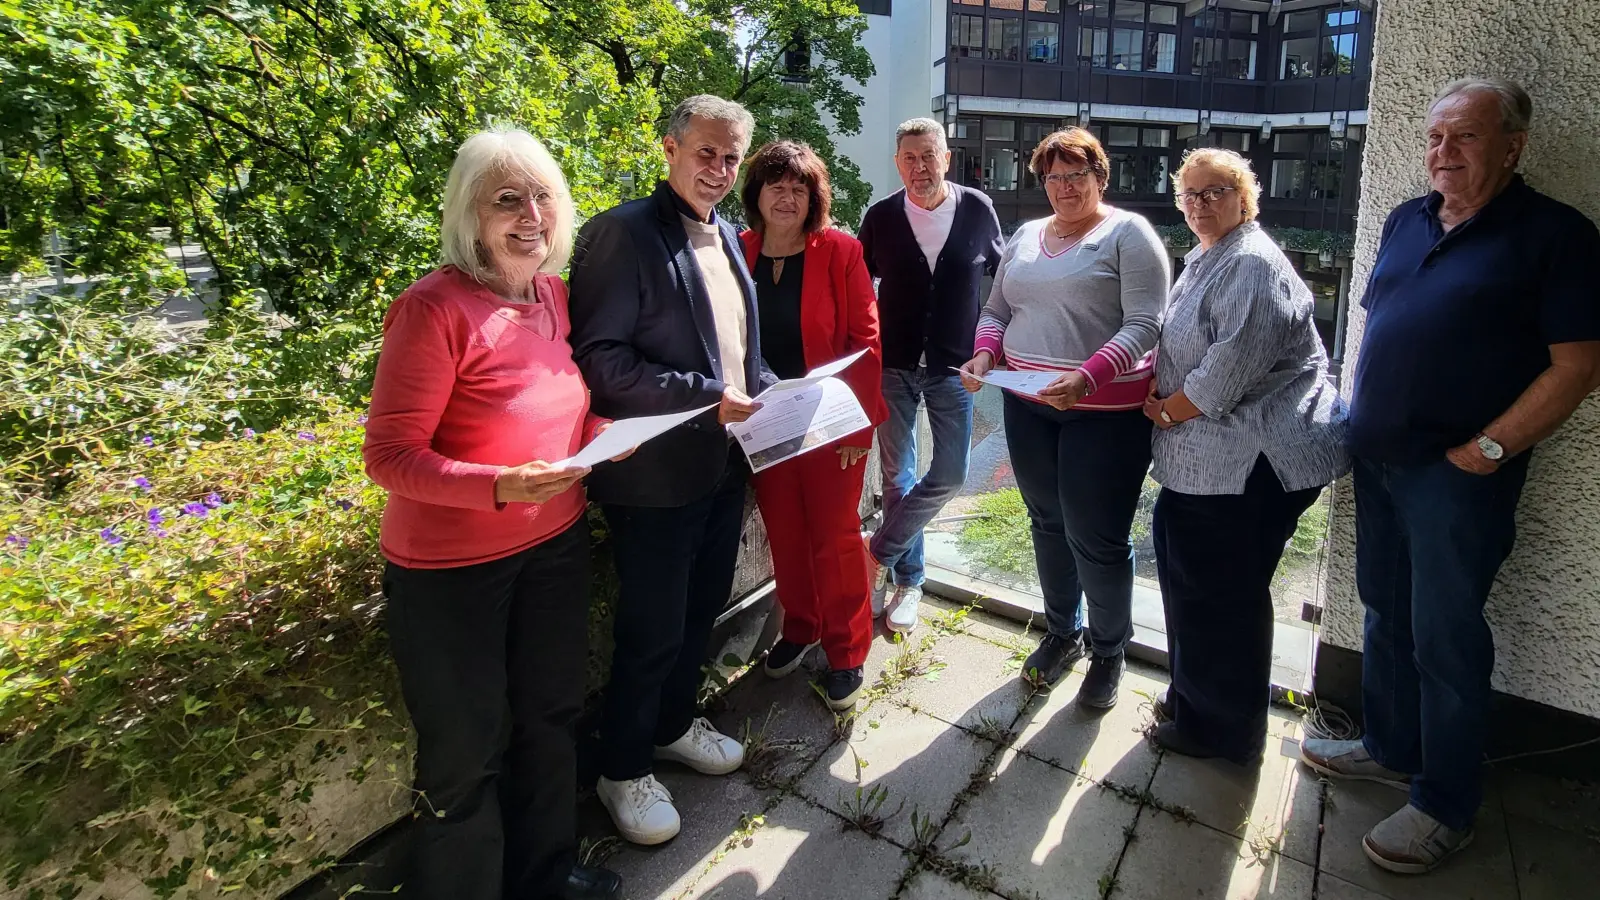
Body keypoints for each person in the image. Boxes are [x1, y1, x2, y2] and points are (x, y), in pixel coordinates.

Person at [1300, 77, 1600, 874]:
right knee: (1384, 612)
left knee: (1446, 637)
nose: (1443, 154)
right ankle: (1391, 745)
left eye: (1463, 138)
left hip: (1455, 477)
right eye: (1436, 138)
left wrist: (1491, 450)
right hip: (1379, 459)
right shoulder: (1408, 218)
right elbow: (1386, 327)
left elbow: (1577, 367)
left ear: (1512, 145)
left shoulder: (1556, 235)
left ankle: (1446, 804)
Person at [362, 129, 624, 900]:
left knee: (550, 716)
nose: (529, 216)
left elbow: (555, 412)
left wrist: (602, 438)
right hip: (449, 574)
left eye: (542, 196)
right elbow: (389, 457)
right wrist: (498, 485)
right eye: (505, 200)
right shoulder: (431, 306)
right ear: (467, 216)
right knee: (464, 752)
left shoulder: (552, 294)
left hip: (554, 547)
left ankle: (545, 876)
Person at [568, 95, 777, 848]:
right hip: (652, 475)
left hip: (721, 464)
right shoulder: (619, 234)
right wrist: (707, 398)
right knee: (651, 628)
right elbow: (600, 360)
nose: (719, 171)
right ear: (671, 148)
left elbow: (732, 352)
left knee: (699, 613)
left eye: (730, 158)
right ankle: (620, 768)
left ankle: (671, 725)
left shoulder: (726, 235)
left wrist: (773, 388)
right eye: (706, 154)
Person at [1142, 149, 1348, 764]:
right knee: (1191, 583)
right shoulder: (1208, 256)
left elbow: (1221, 379)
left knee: (1221, 599)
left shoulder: (1254, 265)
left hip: (1252, 464)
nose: (1201, 204)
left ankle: (1222, 734)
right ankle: (1192, 700)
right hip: (1207, 464)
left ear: (1245, 196)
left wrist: (1163, 411)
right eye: (1191, 194)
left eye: (1216, 192)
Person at [957, 127, 1169, 708]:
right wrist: (984, 353)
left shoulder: (1129, 234)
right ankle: (1061, 632)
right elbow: (998, 308)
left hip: (1103, 414)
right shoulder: (1026, 234)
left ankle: (1109, 651)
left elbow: (1147, 322)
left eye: (1077, 174)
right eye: (1053, 176)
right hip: (1027, 406)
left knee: (1096, 538)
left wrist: (1087, 376)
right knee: (1047, 522)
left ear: (1101, 177)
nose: (1065, 187)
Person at [736, 141, 886, 711]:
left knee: (835, 536)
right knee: (784, 532)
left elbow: (866, 344)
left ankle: (847, 651)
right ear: (756, 193)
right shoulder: (737, 250)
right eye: (775, 183)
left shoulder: (841, 251)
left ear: (814, 198)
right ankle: (800, 625)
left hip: (830, 424)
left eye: (799, 187)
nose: (787, 195)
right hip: (762, 422)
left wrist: (857, 432)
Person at [859, 117, 1003, 635]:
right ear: (898, 164)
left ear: (946, 157)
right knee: (897, 476)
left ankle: (876, 553)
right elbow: (858, 290)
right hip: (892, 365)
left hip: (953, 368)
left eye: (929, 156)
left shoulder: (978, 211)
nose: (920, 168)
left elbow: (1004, 289)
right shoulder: (879, 217)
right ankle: (909, 581)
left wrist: (994, 351)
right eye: (909, 159)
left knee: (951, 473)